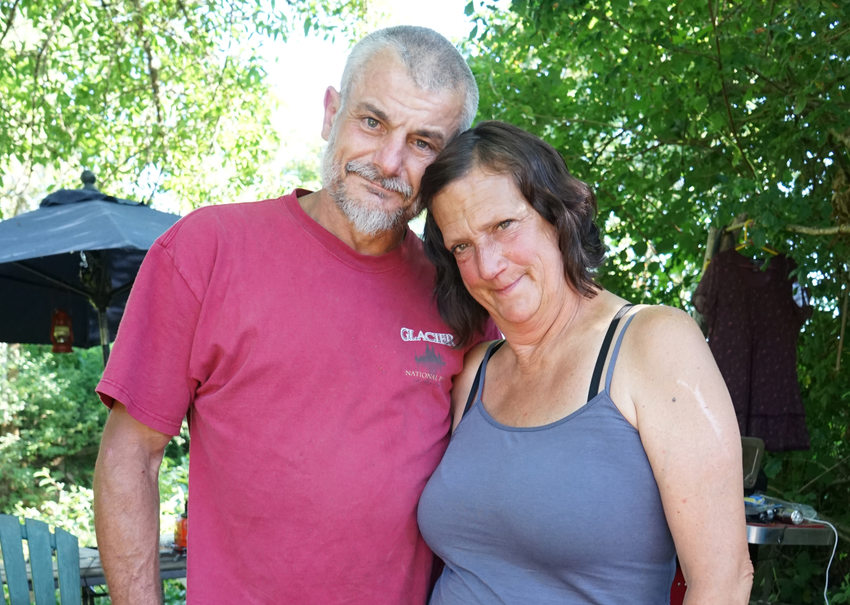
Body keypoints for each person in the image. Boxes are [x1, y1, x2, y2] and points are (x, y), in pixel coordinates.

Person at [93, 26, 497, 604]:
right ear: (332, 112)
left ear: (449, 162)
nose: (388, 161)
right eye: (373, 122)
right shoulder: (207, 249)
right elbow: (130, 455)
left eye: (423, 144)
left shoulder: (464, 292)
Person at [416, 121, 754, 604]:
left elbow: (723, 581)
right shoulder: (474, 371)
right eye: (462, 247)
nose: (488, 266)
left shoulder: (654, 343)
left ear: (557, 215)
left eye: (503, 226)